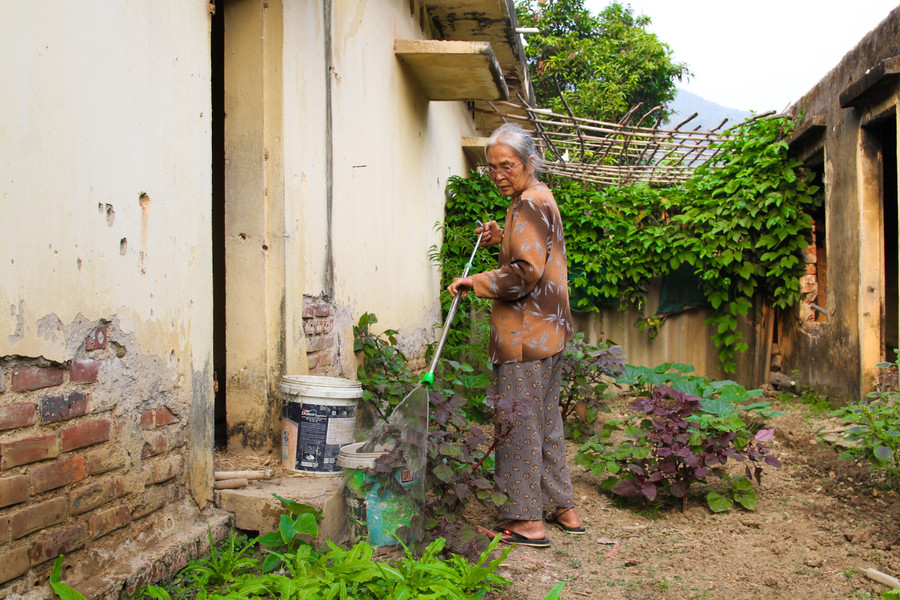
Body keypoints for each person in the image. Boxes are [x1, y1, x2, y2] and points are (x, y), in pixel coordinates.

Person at [447, 123, 584, 547]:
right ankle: (563, 507)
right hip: (551, 331)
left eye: (506, 166)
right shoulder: (541, 198)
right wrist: (500, 239)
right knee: (545, 422)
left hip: (525, 337)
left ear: (529, 163)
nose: (499, 174)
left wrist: (476, 281)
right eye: (492, 168)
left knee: (517, 425)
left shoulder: (526, 204)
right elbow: (532, 250)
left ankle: (527, 521)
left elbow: (525, 273)